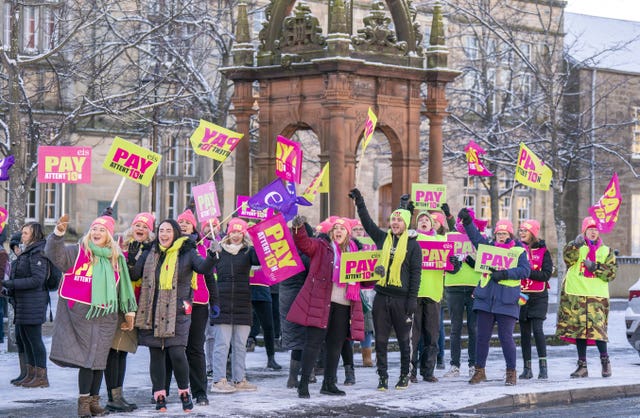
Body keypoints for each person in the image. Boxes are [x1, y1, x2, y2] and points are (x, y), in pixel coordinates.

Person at [45, 214, 137, 418]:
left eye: (102, 230)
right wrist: (58, 233)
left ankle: (95, 400)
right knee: (87, 361)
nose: (96, 233)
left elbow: (123, 287)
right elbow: (54, 255)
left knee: (99, 362)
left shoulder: (116, 257)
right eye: (94, 228)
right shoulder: (77, 252)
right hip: (80, 314)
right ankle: (83, 402)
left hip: (106, 315)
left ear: (109, 236)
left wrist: (129, 312)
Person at [131, 218, 218, 412]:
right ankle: (159, 395)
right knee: (157, 355)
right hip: (152, 310)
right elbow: (134, 274)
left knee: (177, 353)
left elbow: (203, 268)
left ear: (176, 233)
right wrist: (132, 256)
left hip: (177, 311)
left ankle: (184, 392)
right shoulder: (149, 251)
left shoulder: (187, 251)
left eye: (168, 230)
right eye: (161, 230)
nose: (164, 234)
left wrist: (212, 254)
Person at [349, 188, 421, 391]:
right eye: (393, 220)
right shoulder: (383, 239)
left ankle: (404, 375)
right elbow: (368, 224)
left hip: (402, 299)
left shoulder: (414, 246)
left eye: (399, 220)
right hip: (382, 297)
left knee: (403, 341)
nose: (395, 223)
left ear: (406, 224)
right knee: (380, 340)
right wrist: (360, 202)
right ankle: (382, 376)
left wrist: (412, 299)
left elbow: (416, 274)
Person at [288, 216, 366, 398]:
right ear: (331, 232)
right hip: (320, 303)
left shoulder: (355, 252)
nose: (338, 231)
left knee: (335, 345)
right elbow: (304, 244)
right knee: (312, 344)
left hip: (344, 304)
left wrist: (376, 273)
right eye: (335, 228)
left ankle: (329, 383)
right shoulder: (322, 246)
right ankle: (304, 384)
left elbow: (365, 279)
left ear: (348, 233)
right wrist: (298, 228)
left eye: (342, 229)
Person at [457, 209, 530, 386]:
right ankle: (479, 371)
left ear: (510, 234)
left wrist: (504, 274)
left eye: (504, 233)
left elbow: (525, 271)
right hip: (485, 299)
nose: (501, 236)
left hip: (507, 300)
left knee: (506, 338)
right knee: (481, 338)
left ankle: (511, 372)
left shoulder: (519, 251)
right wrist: (467, 222)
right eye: (498, 233)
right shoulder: (488, 247)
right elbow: (475, 238)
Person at [104, 211, 155, 412]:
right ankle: (112, 396)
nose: (140, 229)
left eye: (145, 226)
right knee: (113, 351)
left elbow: (138, 274)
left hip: (134, 306)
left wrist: (140, 257)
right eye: (138, 225)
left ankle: (118, 395)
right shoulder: (119, 244)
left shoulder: (151, 249)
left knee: (122, 351)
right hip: (117, 303)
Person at [556, 216, 617, 378]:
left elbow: (611, 273)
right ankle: (582, 366)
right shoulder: (577, 247)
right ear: (584, 231)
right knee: (579, 332)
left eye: (596, 230)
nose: (593, 232)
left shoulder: (606, 251)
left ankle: (605, 362)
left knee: (598, 332)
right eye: (590, 229)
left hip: (597, 298)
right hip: (576, 295)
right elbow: (567, 259)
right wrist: (574, 245)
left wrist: (596, 267)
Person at [209, 218, 260, 394]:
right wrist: (210, 252)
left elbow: (261, 259)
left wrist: (258, 236)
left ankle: (239, 379)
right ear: (228, 233)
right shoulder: (219, 251)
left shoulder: (248, 252)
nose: (236, 235)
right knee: (221, 344)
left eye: (239, 232)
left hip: (243, 303)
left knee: (240, 344)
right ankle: (218, 380)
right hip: (221, 302)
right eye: (233, 232)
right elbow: (205, 265)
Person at [176, 209, 219, 406]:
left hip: (198, 302)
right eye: (181, 222)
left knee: (195, 348)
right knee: (173, 348)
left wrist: (215, 301)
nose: (184, 225)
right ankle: (163, 390)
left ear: (194, 226)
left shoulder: (202, 246)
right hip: (175, 302)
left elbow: (209, 275)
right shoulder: (169, 245)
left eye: (187, 222)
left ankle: (200, 391)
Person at [1, 224, 48, 388]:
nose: (22, 235)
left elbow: (37, 280)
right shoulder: (27, 251)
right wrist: (9, 289)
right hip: (23, 302)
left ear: (34, 234)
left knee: (34, 340)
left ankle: (41, 377)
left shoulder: (38, 253)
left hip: (33, 302)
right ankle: (29, 374)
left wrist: (11, 283)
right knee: (23, 339)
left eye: (25, 233)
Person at [442, 209, 484, 379]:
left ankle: (473, 365)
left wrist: (469, 260)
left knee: (474, 328)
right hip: (454, 287)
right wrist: (452, 265)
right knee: (455, 328)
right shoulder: (450, 237)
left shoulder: (480, 239)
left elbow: (486, 264)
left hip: (474, 287)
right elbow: (442, 262)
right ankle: (454, 365)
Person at [517, 219, 552, 380]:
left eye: (525, 230)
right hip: (521, 295)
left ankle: (543, 367)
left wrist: (527, 272)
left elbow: (546, 274)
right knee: (524, 332)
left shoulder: (544, 251)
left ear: (533, 233)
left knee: (537, 330)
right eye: (520, 230)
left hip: (539, 296)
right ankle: (527, 368)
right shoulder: (516, 249)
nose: (522, 233)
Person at [279, 222, 312, 389]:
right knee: (306, 337)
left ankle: (294, 376)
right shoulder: (303, 254)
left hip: (286, 297)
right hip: (301, 298)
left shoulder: (284, 251)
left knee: (297, 338)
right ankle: (300, 374)